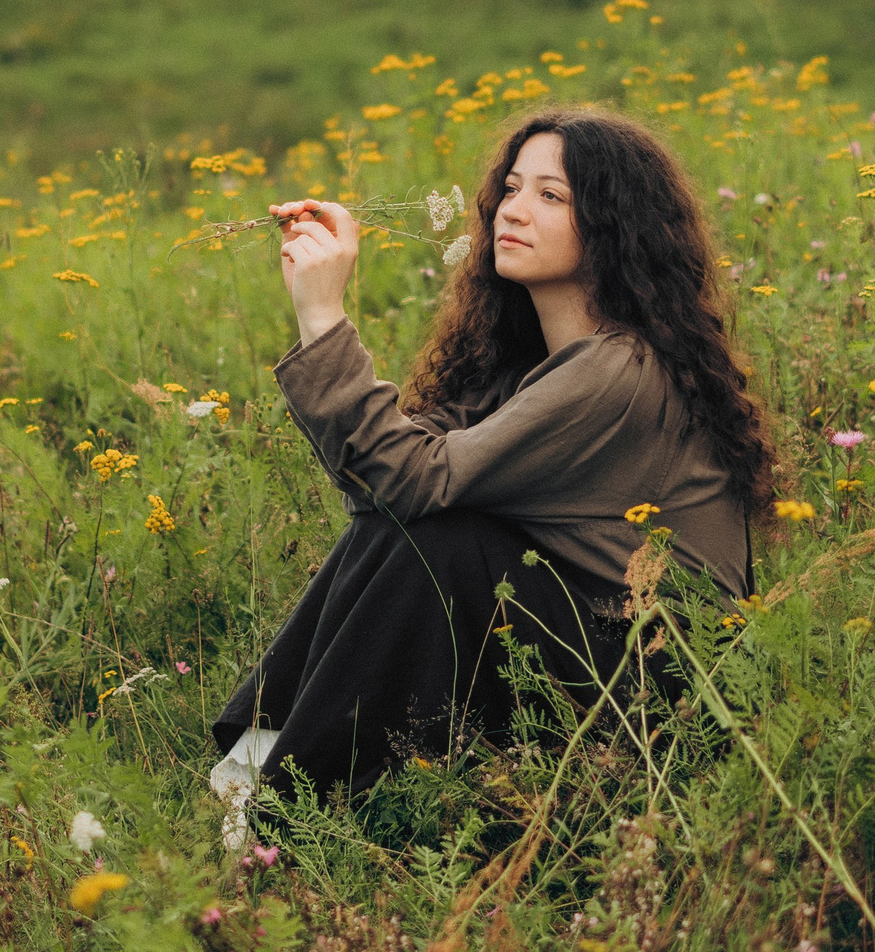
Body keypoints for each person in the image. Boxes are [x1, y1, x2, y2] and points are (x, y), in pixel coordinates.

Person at [208, 107, 775, 840]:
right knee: (421, 527)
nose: (513, 210)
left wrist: (323, 319)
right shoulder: (527, 368)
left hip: (663, 698)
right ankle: (263, 768)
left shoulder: (621, 369)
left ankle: (281, 808)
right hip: (589, 651)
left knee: (443, 539)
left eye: (551, 196)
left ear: (611, 225)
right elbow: (384, 487)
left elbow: (412, 482)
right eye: (510, 188)